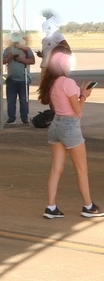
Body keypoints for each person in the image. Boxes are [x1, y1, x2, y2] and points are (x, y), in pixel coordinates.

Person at [37, 48, 104, 219]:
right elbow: (77, 111)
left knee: (55, 169)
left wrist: (79, 93)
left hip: (56, 126)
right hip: (70, 128)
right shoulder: (68, 83)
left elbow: (64, 103)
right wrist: (84, 96)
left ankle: (51, 207)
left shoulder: (52, 82)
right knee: (81, 170)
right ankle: (88, 206)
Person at [2, 32, 35, 124]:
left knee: (24, 100)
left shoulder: (27, 50)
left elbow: (32, 61)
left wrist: (22, 60)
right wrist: (9, 58)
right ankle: (11, 118)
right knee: (11, 100)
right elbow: (3, 61)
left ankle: (24, 118)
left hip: (23, 79)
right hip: (11, 78)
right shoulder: (8, 49)